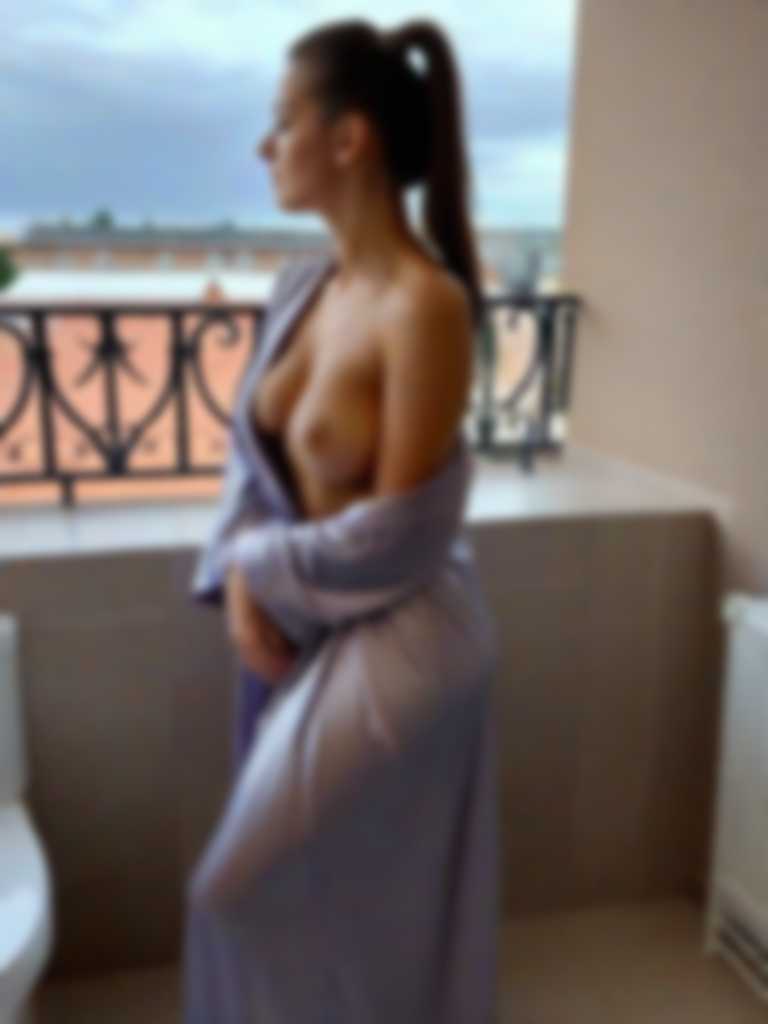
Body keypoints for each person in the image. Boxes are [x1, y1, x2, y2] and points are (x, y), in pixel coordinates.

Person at [183, 17, 501, 1022]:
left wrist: (254, 569)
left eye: (283, 121)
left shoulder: (425, 307)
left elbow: (401, 536)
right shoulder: (301, 289)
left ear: (349, 138)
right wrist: (246, 573)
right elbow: (250, 464)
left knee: (234, 889)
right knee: (331, 898)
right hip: (309, 616)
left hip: (402, 634)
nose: (265, 146)